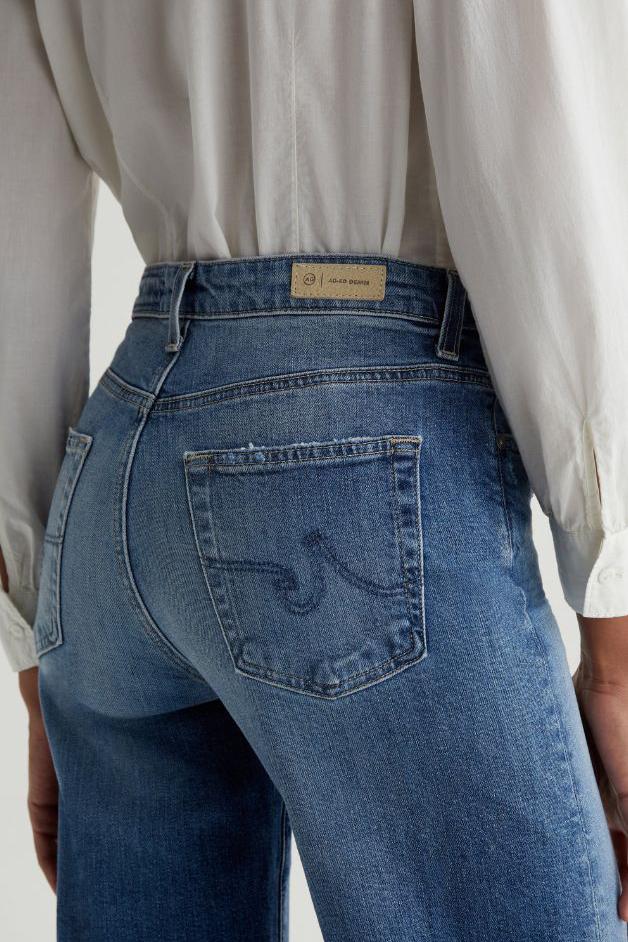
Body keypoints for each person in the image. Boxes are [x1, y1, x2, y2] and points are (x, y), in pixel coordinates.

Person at [2, 2, 628, 940]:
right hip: (352, 444)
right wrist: (616, 622)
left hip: (117, 474)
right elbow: (538, 133)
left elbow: (11, 224)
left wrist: (36, 644)